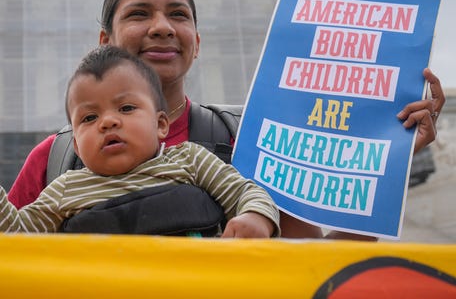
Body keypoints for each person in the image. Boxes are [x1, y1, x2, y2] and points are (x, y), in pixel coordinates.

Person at [8, 0, 446, 239]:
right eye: (139, 14)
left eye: (178, 15)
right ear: (104, 43)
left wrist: (389, 163)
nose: (162, 27)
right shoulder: (54, 161)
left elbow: (309, 266)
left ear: (196, 44)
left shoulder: (250, 140)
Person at [0, 45, 279, 237]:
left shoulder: (191, 160)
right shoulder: (65, 188)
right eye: (89, 118)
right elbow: (18, 236)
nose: (107, 122)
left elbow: (245, 192)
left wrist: (256, 217)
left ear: (160, 125)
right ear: (76, 146)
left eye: (126, 109)